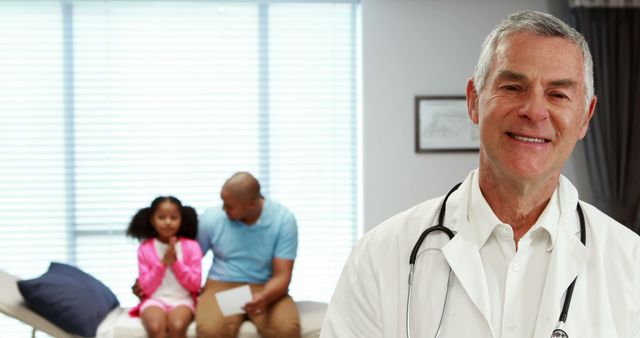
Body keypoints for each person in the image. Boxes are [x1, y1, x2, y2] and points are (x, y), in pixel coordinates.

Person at [321, 10, 640, 338]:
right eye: (513, 87)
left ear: (585, 117)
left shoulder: (631, 264)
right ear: (474, 101)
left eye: (558, 94)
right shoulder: (379, 257)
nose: (533, 111)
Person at [196, 171, 300, 338]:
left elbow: (282, 275)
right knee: (211, 331)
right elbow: (188, 260)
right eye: (223, 203)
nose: (224, 209)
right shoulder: (212, 218)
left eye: (229, 206)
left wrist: (264, 297)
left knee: (287, 330)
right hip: (221, 284)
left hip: (265, 285)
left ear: (252, 204)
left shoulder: (283, 220)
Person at [127, 196, 203, 338]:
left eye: (173, 217)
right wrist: (163, 263)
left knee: (178, 325)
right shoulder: (145, 248)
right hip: (154, 300)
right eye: (161, 217)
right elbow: (146, 288)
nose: (168, 222)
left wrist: (175, 263)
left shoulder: (192, 247)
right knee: (155, 327)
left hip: (183, 300)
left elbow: (194, 285)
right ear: (152, 220)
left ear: (181, 219)